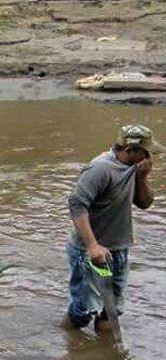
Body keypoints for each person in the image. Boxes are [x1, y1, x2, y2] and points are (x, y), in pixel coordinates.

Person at [65, 124, 160, 330]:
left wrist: (142, 178)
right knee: (83, 311)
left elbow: (145, 203)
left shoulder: (132, 168)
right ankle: (65, 342)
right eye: (146, 152)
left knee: (112, 311)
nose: (150, 157)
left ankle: (108, 358)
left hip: (118, 248)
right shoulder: (100, 169)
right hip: (89, 251)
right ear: (130, 150)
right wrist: (92, 247)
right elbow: (76, 204)